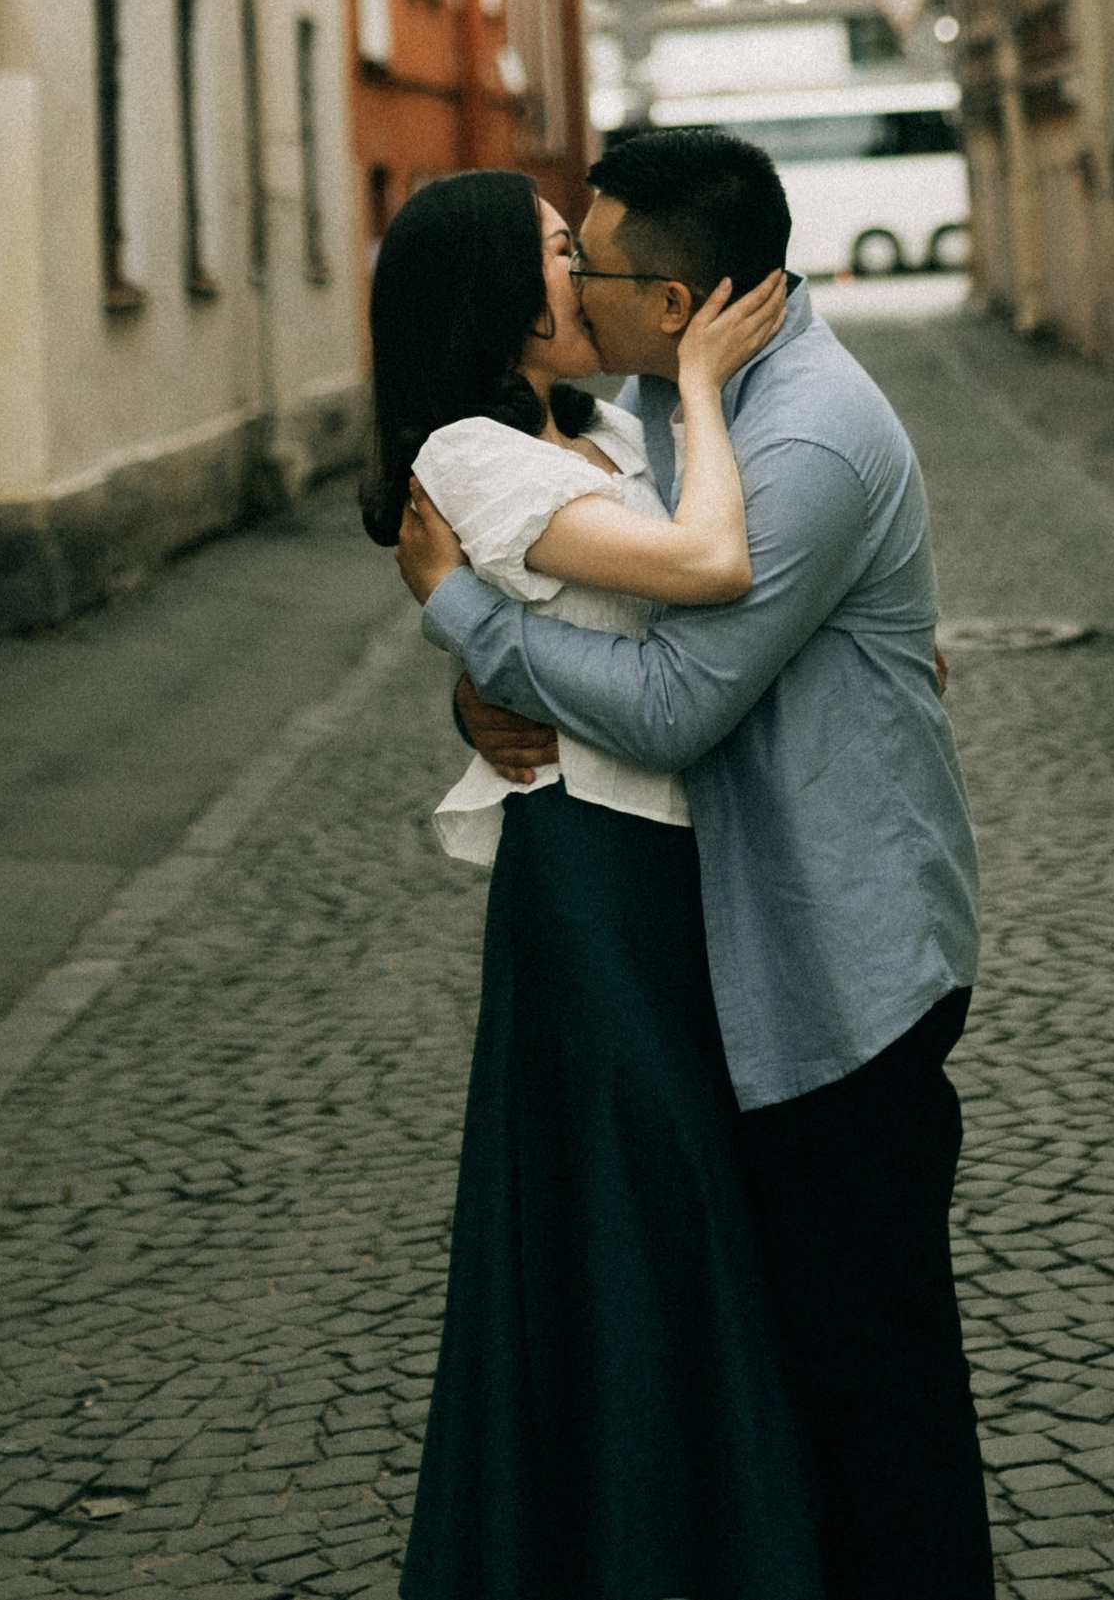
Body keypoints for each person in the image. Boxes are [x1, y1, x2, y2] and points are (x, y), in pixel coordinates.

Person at [397, 125, 993, 1600]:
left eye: (588, 261)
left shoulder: (796, 434)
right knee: (770, 1353)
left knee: (877, 1381)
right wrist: (498, 680)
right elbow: (585, 568)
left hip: (842, 966)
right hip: (745, 938)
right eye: (557, 256)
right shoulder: (667, 407)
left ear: (674, 305)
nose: (573, 285)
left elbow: (671, 700)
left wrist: (475, 634)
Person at [360, 166, 823, 1600]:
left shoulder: (590, 426)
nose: (591, 278)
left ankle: (684, 1545)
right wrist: (700, 380)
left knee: (667, 1226)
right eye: (564, 254)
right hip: (591, 889)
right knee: (632, 1223)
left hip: (665, 877)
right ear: (498, 295)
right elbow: (709, 556)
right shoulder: (473, 456)